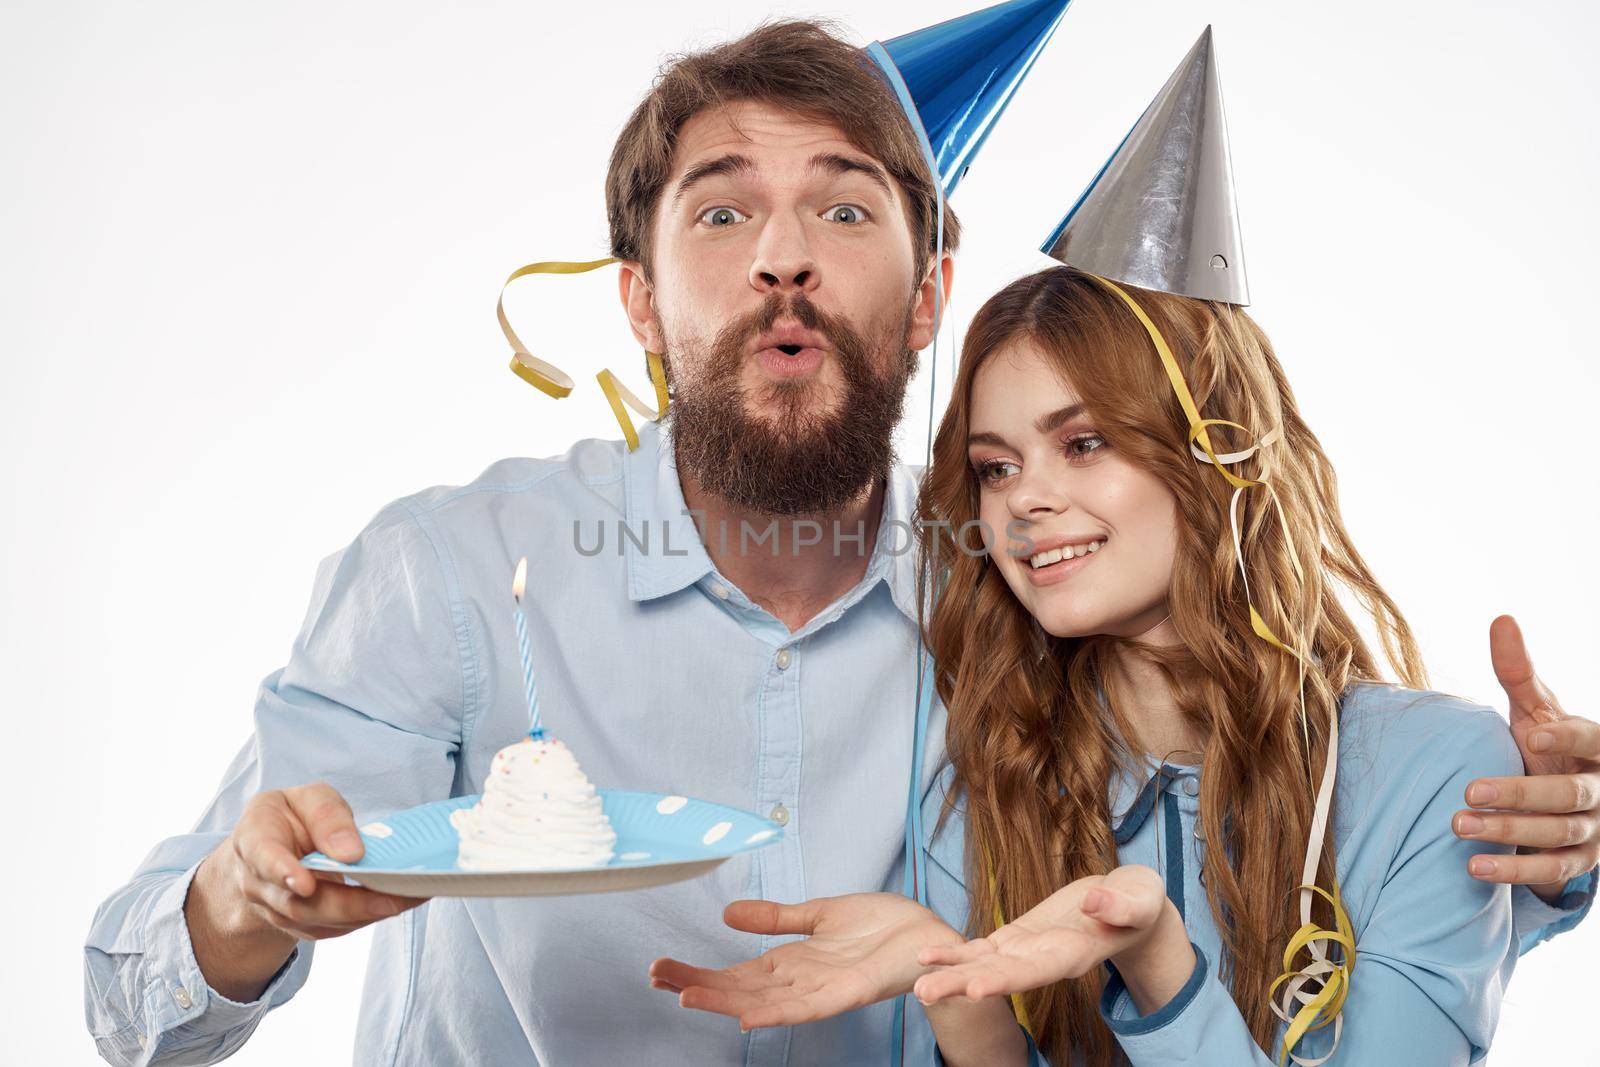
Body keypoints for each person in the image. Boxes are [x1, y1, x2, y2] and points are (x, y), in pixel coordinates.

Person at [83, 18, 1597, 1067]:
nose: (786, 255)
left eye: (844, 210)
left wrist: (1536, 851)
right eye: (723, 212)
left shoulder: (1010, 606)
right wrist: (238, 903)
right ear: (637, 300)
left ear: (928, 297)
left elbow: (1256, 813)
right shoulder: (457, 577)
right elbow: (136, 1007)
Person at [651, 260, 1599, 1064]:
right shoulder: (977, 795)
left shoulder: (1434, 773)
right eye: (996, 466)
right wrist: (956, 991)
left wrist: (1159, 966)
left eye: (1084, 442)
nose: (1026, 502)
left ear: (1217, 450)